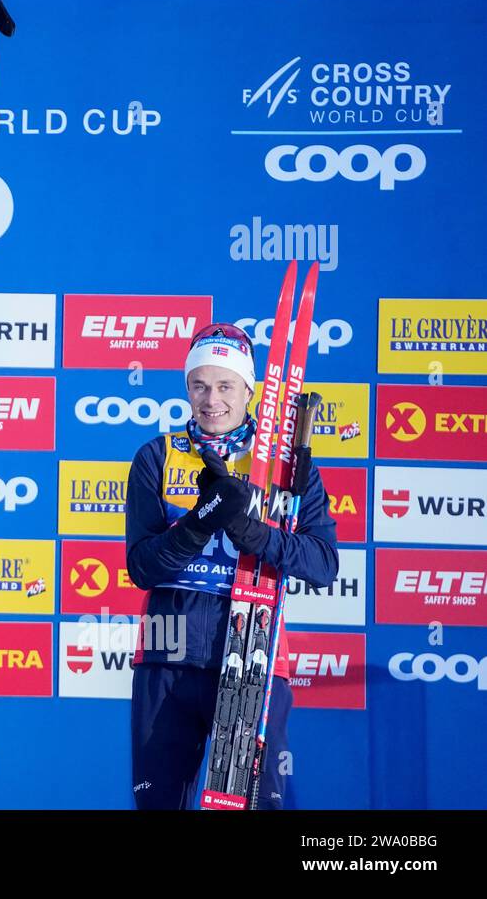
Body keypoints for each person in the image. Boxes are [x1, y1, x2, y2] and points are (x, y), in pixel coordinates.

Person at [123, 323, 339, 809]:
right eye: (199, 385)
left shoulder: (286, 466)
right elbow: (142, 567)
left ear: (249, 389)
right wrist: (199, 524)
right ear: (186, 389)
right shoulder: (157, 456)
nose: (211, 399)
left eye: (225, 385)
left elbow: (323, 563)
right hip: (167, 655)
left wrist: (254, 534)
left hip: (253, 656)